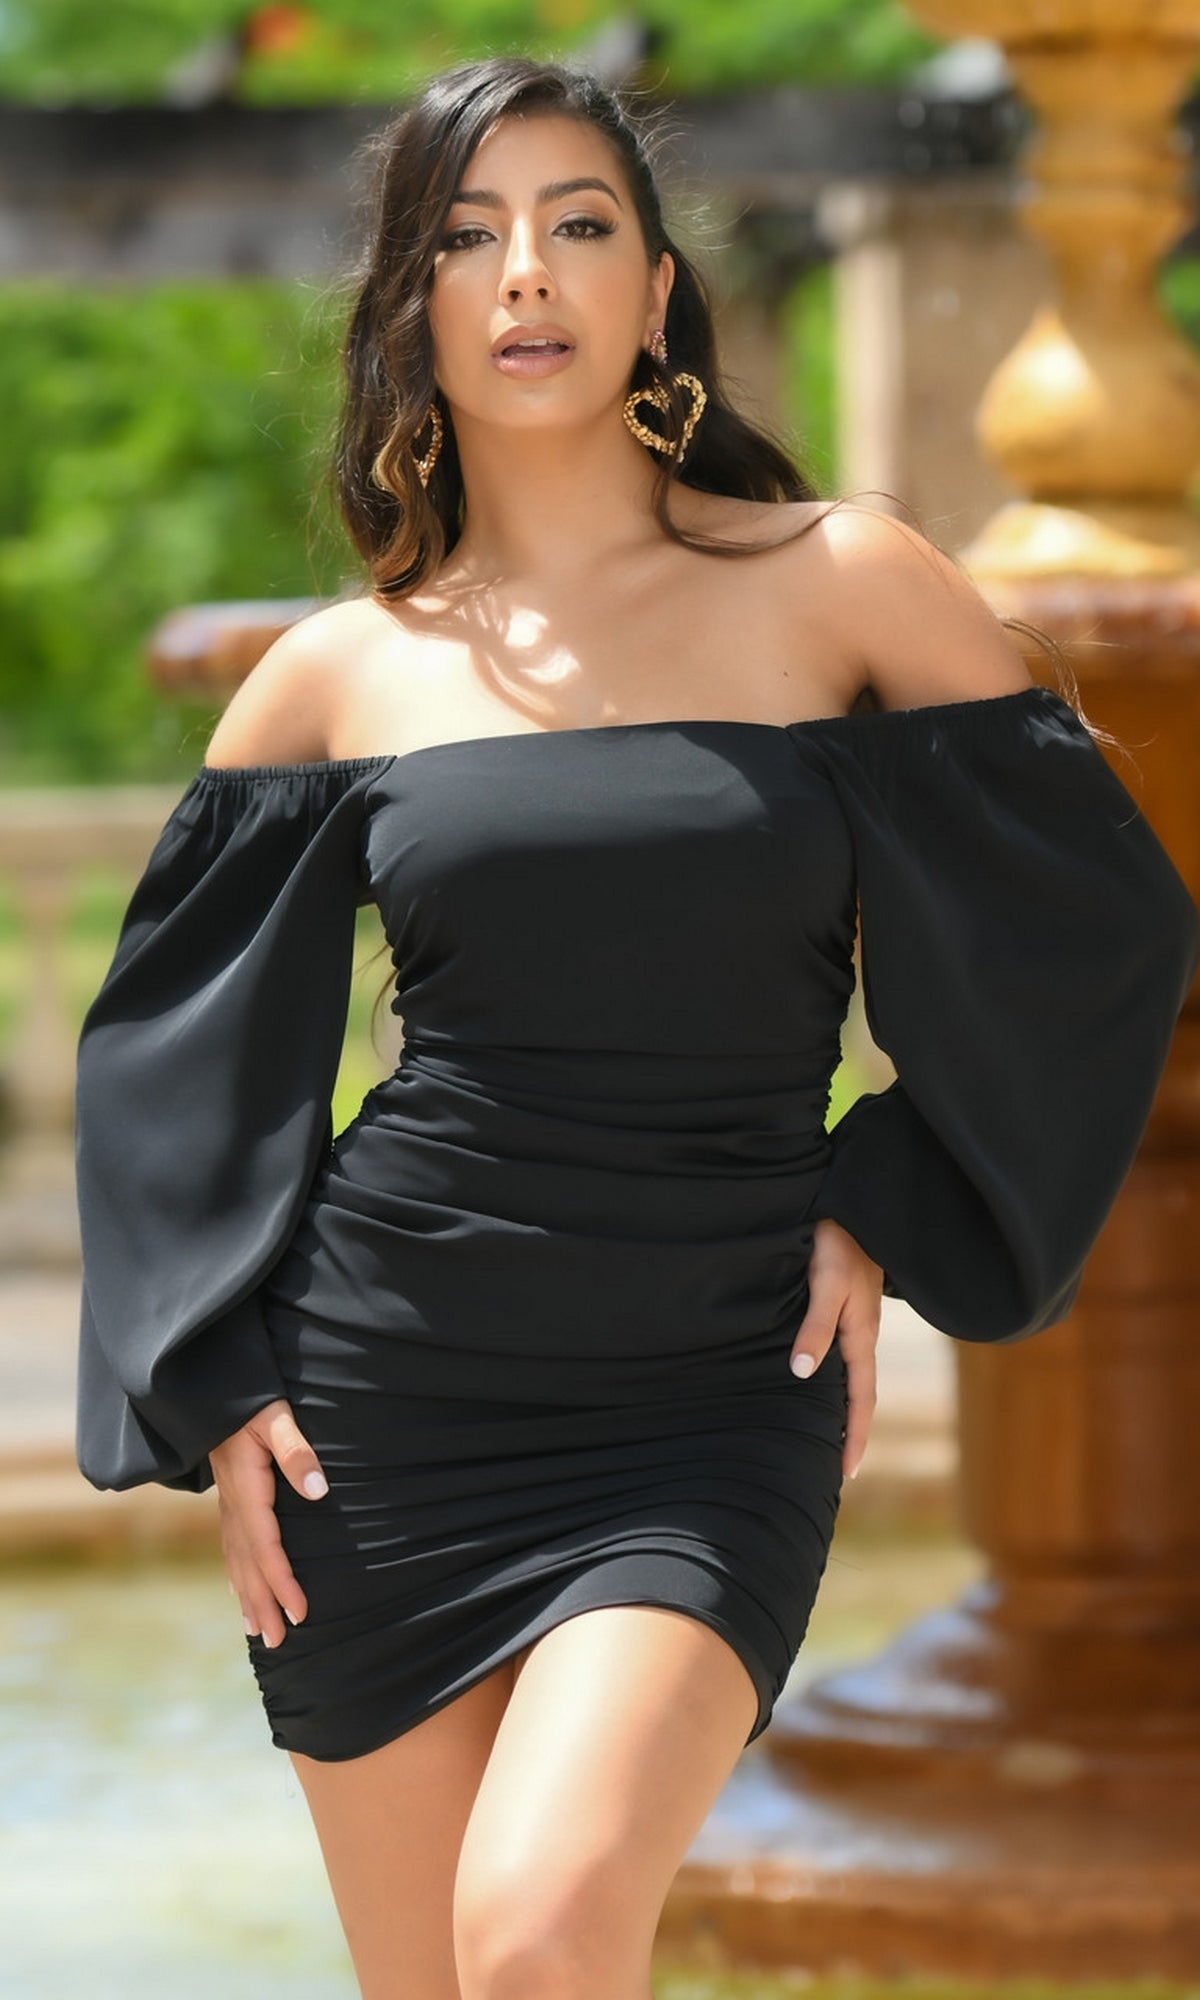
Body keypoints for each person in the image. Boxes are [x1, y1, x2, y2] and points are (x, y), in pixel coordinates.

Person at [74, 54, 1198, 2000]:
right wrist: (209, 1371)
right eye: (469, 235)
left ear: (656, 293)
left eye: (579, 224)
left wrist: (891, 1191)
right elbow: (167, 1052)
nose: (527, 275)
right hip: (389, 1410)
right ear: (412, 307)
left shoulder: (841, 581)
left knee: (537, 1937)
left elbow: (1103, 929)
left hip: (707, 1392)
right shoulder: (338, 673)